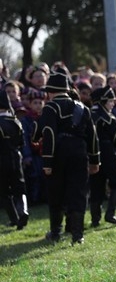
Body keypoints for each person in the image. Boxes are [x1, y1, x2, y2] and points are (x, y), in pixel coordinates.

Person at [36, 72, 99, 244]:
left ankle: (56, 232)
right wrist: (95, 160)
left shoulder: (50, 108)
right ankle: (77, 235)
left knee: (57, 191)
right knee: (78, 191)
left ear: (50, 91)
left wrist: (47, 161)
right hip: (80, 152)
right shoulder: (83, 108)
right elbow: (92, 136)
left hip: (59, 153)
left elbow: (48, 135)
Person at [89, 86, 116, 226]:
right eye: (110, 101)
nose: (113, 104)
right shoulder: (109, 117)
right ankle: (110, 214)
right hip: (109, 152)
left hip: (93, 152)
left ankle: (95, 219)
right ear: (103, 101)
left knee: (96, 185)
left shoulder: (89, 114)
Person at [0, 90, 30, 230]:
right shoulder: (16, 121)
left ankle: (14, 219)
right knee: (19, 187)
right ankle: (23, 211)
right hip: (15, 156)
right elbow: (21, 143)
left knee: (4, 191)